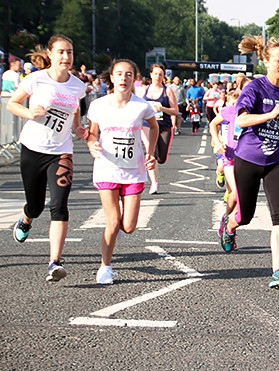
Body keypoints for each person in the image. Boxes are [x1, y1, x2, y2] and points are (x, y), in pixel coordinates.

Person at [219, 35, 279, 290]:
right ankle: (229, 226)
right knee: (245, 216)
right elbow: (241, 121)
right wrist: (270, 114)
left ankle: (277, 270)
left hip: (277, 159)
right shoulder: (254, 88)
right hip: (249, 158)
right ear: (266, 61)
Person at [5, 35, 88, 282]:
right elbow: (12, 104)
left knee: (59, 204)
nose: (66, 57)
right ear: (50, 54)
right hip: (33, 148)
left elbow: (75, 109)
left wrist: (78, 127)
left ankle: (54, 262)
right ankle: (26, 217)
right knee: (36, 205)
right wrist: (30, 112)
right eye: (61, 52)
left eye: (70, 52)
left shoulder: (78, 85)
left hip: (61, 151)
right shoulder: (36, 79)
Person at [86, 59, 159, 284]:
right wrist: (91, 144)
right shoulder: (98, 105)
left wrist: (151, 152)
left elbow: (154, 126)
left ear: (134, 78)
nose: (124, 78)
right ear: (112, 77)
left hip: (133, 172)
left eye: (129, 74)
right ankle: (104, 267)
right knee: (113, 222)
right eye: (119, 74)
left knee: (128, 226)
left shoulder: (141, 105)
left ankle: (112, 245)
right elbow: (91, 134)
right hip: (107, 169)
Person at [137, 64, 178, 194]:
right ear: (151, 75)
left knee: (161, 158)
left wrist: (162, 109)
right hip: (147, 125)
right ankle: (154, 183)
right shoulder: (144, 90)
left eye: (160, 74)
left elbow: (175, 111)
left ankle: (158, 163)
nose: (158, 76)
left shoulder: (168, 91)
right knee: (151, 152)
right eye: (156, 74)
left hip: (163, 125)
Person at [211, 90, 241, 219]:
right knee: (222, 168)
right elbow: (213, 124)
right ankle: (228, 219)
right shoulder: (227, 113)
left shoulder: (248, 113)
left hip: (243, 156)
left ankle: (229, 194)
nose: (235, 105)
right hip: (226, 152)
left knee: (238, 189)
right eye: (232, 103)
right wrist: (217, 142)